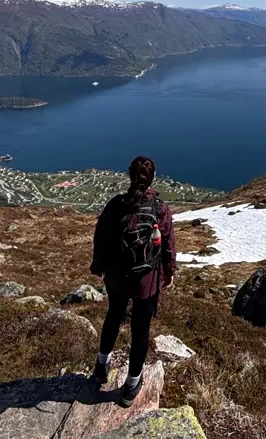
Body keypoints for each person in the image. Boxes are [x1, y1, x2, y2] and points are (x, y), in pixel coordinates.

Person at [89, 155, 177, 407]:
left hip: (117, 276)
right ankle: (131, 385)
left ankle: (101, 366)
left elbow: (101, 238)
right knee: (141, 329)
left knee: (114, 315)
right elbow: (168, 244)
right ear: (152, 179)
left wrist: (98, 267)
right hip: (147, 279)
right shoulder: (159, 208)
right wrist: (168, 272)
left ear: (129, 175)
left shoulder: (116, 205)